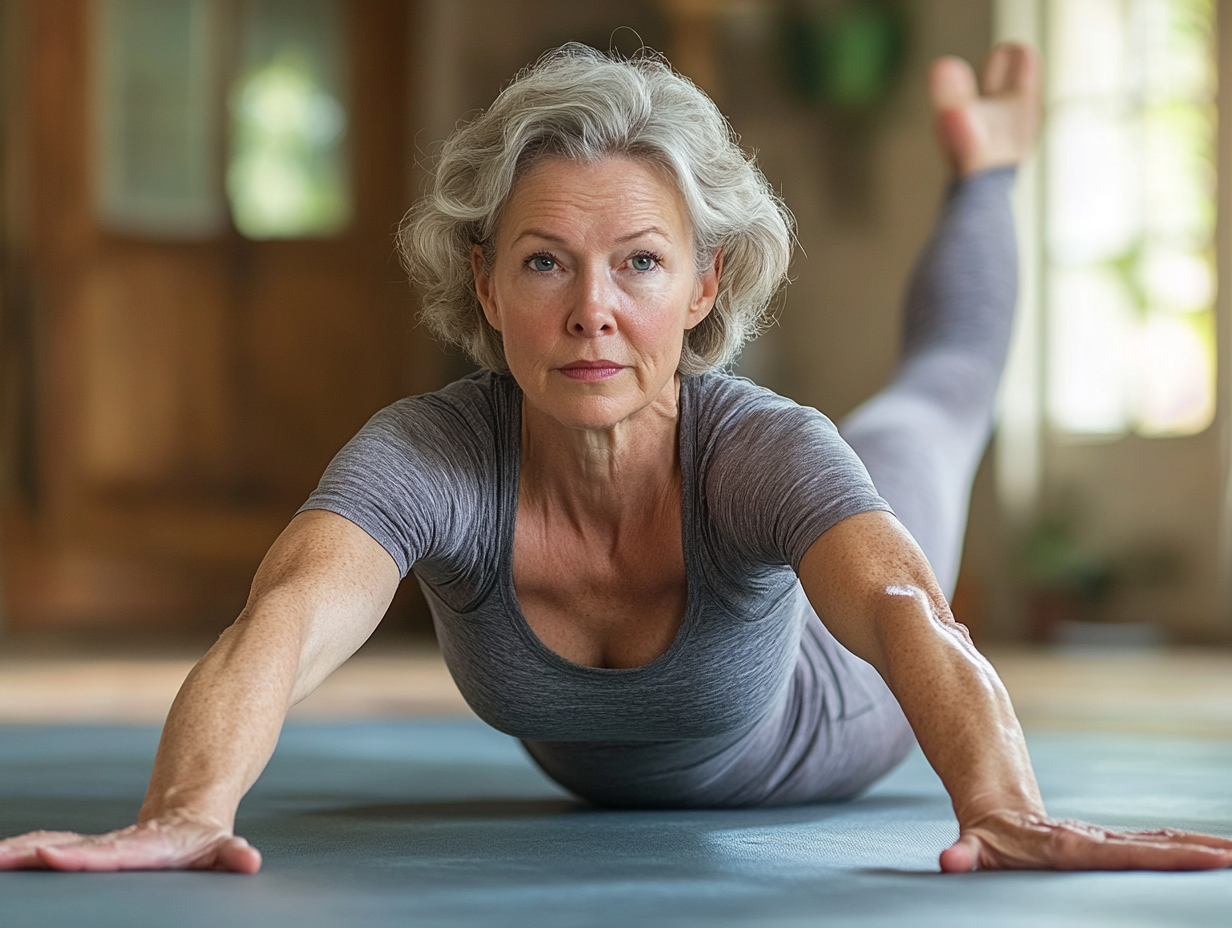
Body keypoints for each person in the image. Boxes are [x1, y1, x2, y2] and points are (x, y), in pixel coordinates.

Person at [3, 42, 1230, 876]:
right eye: (544, 261)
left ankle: (988, 168)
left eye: (639, 262)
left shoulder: (758, 451)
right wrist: (185, 813)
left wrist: (1002, 810)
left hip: (836, 713)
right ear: (483, 283)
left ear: (705, 283)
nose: (592, 308)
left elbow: (910, 611)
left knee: (930, 407)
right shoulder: (429, 457)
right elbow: (281, 621)